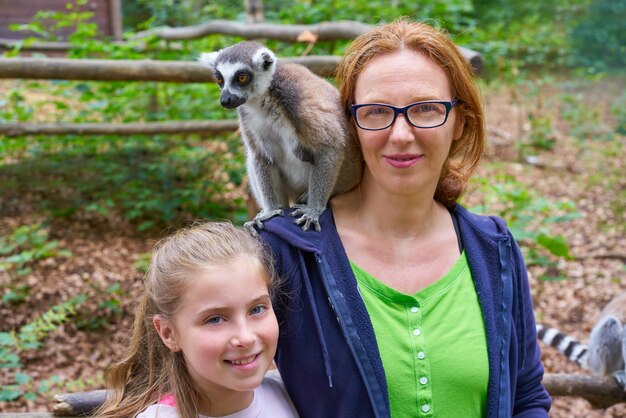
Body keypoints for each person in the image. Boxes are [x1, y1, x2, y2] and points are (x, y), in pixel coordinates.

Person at [258, 20, 552, 417]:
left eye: (426, 109)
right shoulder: (288, 251)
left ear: (460, 122)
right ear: (350, 123)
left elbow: (526, 396)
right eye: (376, 111)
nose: (400, 134)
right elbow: (216, 377)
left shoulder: (493, 248)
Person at [95, 222, 298, 418]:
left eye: (257, 309)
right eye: (215, 319)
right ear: (169, 333)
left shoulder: (290, 396)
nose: (245, 337)